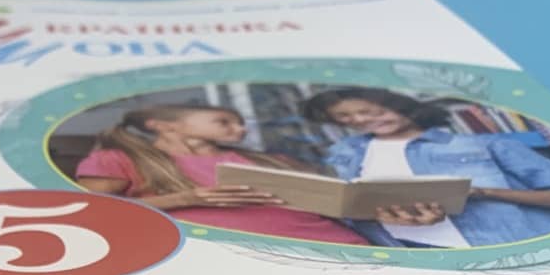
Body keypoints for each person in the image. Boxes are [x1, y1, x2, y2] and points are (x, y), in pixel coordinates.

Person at [304, 87, 550, 248]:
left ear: (402, 105)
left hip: (507, 250)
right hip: (417, 261)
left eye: (370, 110)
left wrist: (483, 193)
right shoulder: (343, 153)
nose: (359, 120)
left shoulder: (483, 144)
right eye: (345, 117)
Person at [74, 103, 366, 244]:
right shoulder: (117, 160)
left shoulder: (271, 160)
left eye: (241, 124)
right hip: (236, 260)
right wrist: (184, 199)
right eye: (223, 121)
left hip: (338, 246)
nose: (240, 130)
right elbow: (88, 214)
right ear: (162, 125)